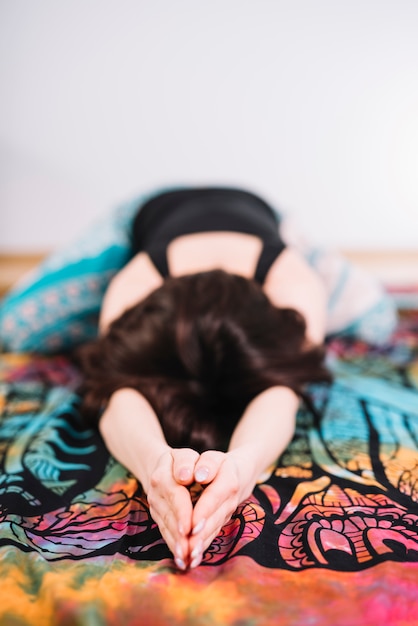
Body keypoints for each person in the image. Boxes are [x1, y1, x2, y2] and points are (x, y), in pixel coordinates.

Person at [78, 187, 331, 571]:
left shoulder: (296, 285)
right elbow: (113, 387)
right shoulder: (134, 285)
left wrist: (244, 467)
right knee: (16, 327)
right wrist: (153, 466)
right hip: (150, 209)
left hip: (261, 210)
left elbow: (283, 391)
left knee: (373, 319)